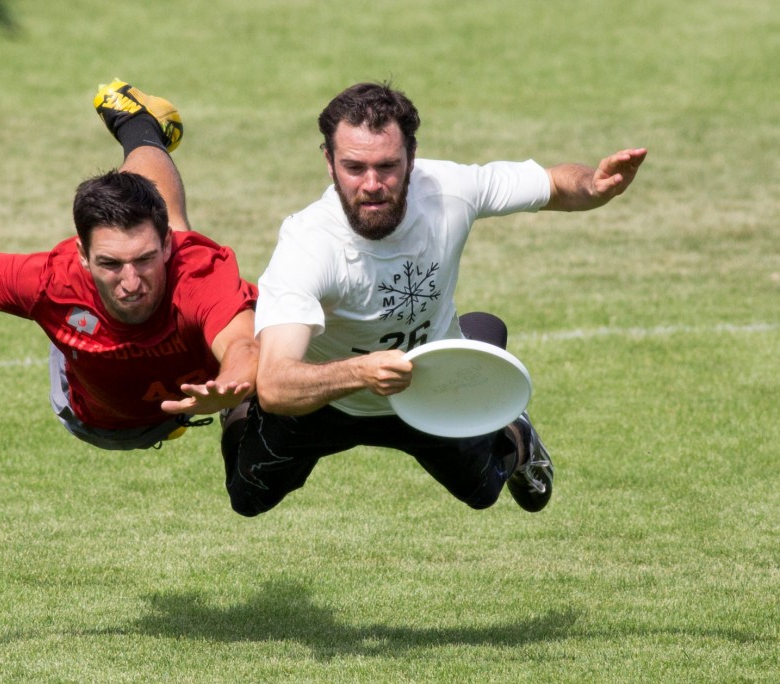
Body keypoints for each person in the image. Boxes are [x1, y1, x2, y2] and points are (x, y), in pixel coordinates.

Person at [223, 81, 646, 517]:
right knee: (248, 498)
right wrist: (360, 372)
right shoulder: (308, 245)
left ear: (411, 158)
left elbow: (554, 185)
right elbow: (275, 383)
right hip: (326, 398)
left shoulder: (449, 189)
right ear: (328, 162)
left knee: (481, 492)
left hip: (429, 381)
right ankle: (239, 408)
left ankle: (513, 425)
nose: (371, 184)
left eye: (387, 166)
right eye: (354, 167)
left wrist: (593, 186)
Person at [0, 80, 258, 451]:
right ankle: (140, 125)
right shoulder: (51, 280)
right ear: (83, 256)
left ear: (163, 249)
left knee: (175, 228)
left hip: (198, 392)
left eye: (144, 259)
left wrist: (231, 386)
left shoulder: (196, 269)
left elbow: (244, 347)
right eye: (110, 263)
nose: (131, 282)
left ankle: (138, 126)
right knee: (158, 224)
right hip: (96, 419)